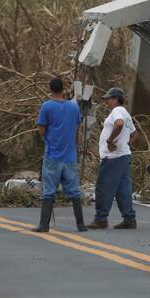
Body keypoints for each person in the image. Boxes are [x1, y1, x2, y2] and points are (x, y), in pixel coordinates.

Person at [33, 76, 86, 232]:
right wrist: (76, 147)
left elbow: (41, 129)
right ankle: (80, 224)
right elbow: (77, 129)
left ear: (50, 89)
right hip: (70, 156)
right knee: (74, 191)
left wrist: (47, 139)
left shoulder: (47, 107)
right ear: (64, 89)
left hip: (52, 156)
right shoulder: (74, 108)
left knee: (49, 191)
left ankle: (44, 225)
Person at [87, 87, 137, 230]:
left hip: (113, 158)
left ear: (116, 99)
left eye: (108, 99)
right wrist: (124, 145)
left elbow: (119, 124)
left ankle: (101, 219)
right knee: (123, 189)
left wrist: (110, 141)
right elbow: (134, 134)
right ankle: (129, 218)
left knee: (104, 187)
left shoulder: (118, 111)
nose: (107, 102)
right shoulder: (126, 113)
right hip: (123, 156)